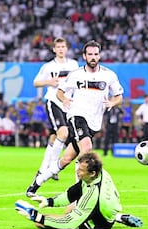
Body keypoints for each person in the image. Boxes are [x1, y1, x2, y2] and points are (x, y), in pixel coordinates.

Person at [26, 40, 124, 196]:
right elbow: (60, 92)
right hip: (77, 116)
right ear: (84, 56)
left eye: (96, 54)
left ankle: (36, 183)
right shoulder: (76, 74)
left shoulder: (109, 75)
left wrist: (112, 102)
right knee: (87, 149)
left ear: (100, 56)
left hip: (94, 123)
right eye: (90, 54)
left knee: (66, 160)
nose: (93, 57)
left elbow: (119, 96)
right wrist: (64, 100)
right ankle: (84, 192)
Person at [15, 151, 143, 229]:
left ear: (92, 173)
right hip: (108, 206)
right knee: (70, 207)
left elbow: (69, 223)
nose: (77, 172)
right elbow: (71, 194)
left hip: (101, 222)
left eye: (81, 171)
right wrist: (49, 202)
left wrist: (38, 217)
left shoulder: (93, 195)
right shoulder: (100, 173)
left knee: (47, 222)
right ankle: (118, 217)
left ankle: (113, 218)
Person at [26, 37, 78, 195]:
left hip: (68, 103)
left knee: (55, 138)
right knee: (63, 133)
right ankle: (53, 167)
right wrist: (49, 81)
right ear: (54, 50)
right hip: (54, 101)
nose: (61, 49)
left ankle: (43, 170)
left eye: (63, 46)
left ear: (67, 48)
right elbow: (36, 82)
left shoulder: (74, 65)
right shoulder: (48, 66)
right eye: (58, 47)